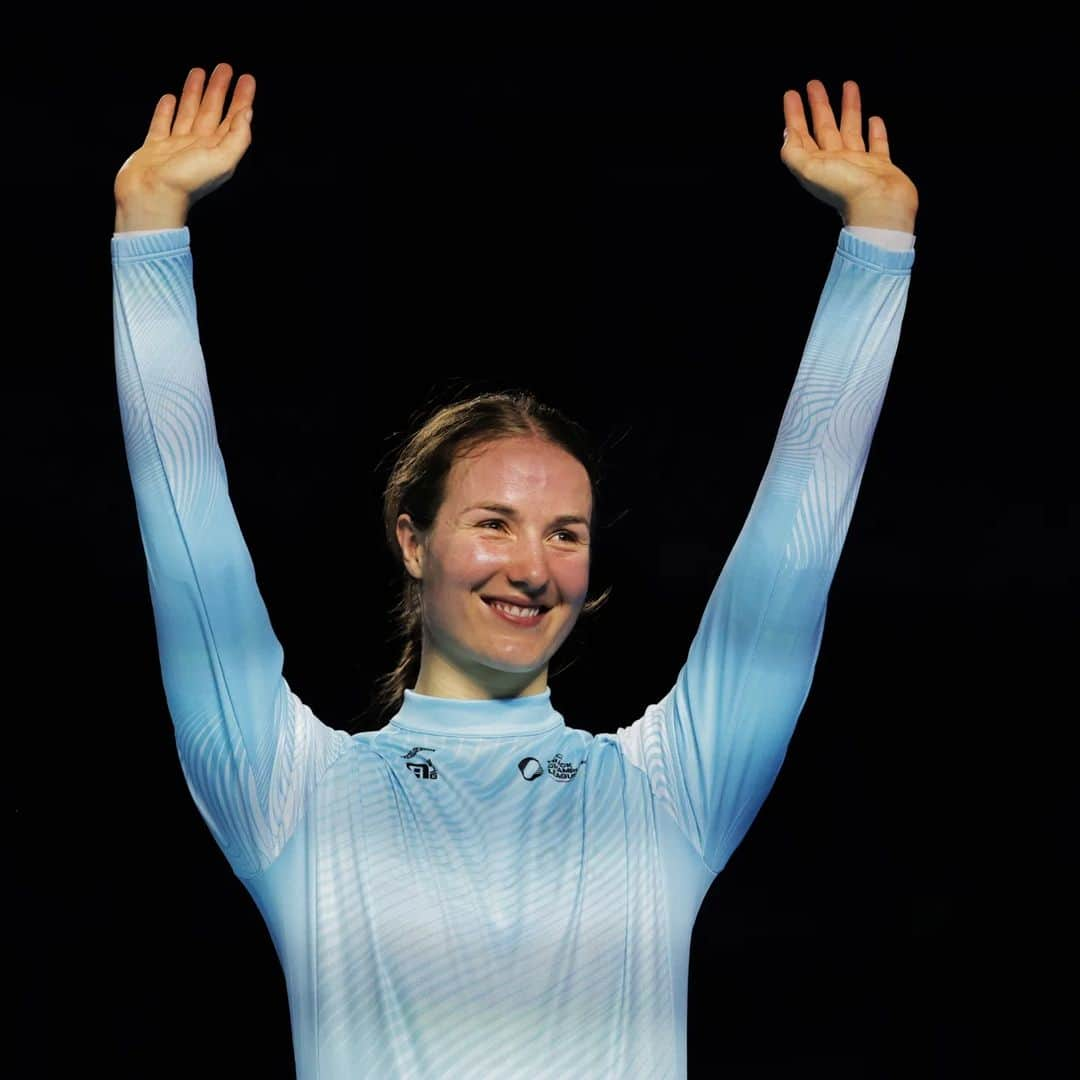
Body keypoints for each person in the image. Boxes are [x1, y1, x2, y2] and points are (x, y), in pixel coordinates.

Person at [112, 62, 918, 1079]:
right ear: (413, 541)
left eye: (567, 534)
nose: (533, 567)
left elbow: (800, 531)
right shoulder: (289, 793)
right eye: (495, 522)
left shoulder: (671, 790)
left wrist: (880, 238)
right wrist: (148, 225)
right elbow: (183, 522)